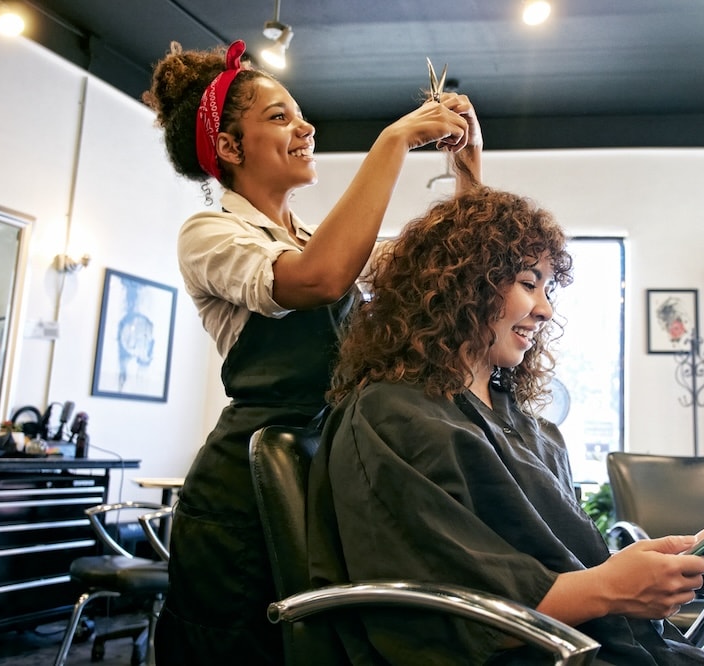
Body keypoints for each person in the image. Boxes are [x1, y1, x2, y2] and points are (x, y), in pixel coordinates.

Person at [307, 186, 704, 665]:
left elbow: (570, 568)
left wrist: (674, 572)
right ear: (463, 284)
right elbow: (445, 618)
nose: (544, 309)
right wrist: (609, 587)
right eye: (528, 282)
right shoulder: (392, 417)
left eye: (547, 289)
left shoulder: (532, 431)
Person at [142, 39, 482, 665]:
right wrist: (392, 143)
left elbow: (447, 274)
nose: (306, 127)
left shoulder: (315, 237)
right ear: (227, 147)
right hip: (240, 496)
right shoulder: (212, 233)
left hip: (322, 477)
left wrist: (467, 169)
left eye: (299, 114)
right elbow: (316, 280)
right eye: (279, 117)